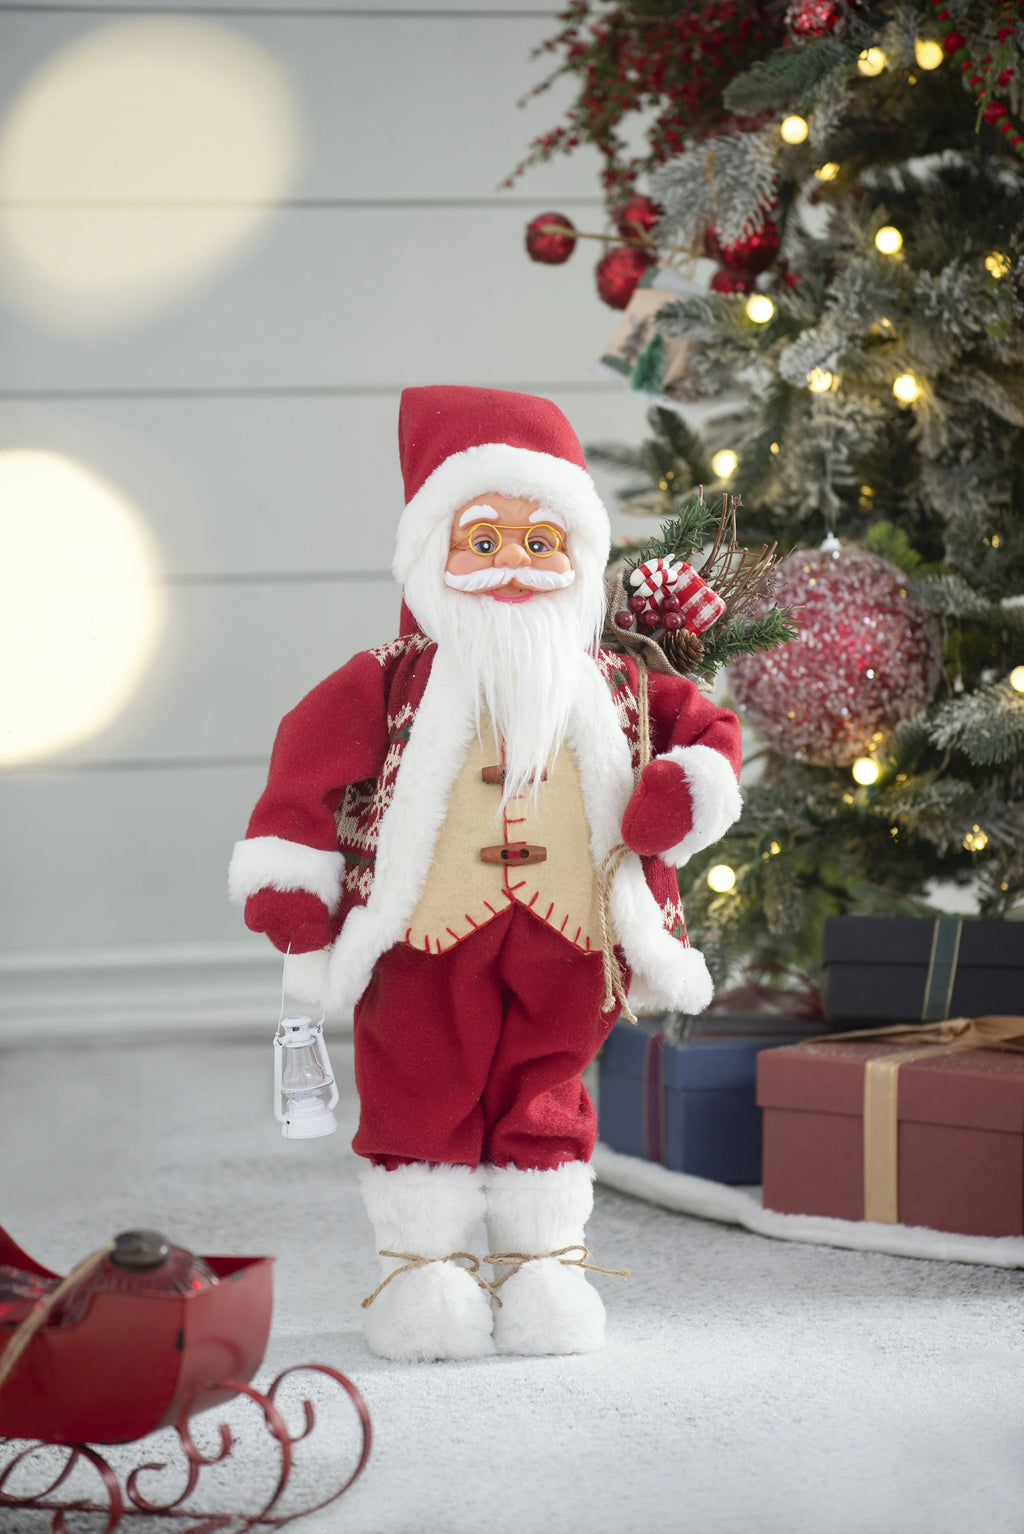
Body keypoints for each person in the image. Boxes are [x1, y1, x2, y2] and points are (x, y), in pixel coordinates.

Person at [229, 386, 742, 1361]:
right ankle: (421, 1270)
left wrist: (684, 789)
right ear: (432, 555)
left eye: (542, 542)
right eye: (485, 540)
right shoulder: (387, 676)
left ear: (579, 561)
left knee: (548, 1085)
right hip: (426, 931)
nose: (515, 564)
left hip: (574, 934)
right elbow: (304, 762)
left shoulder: (617, 678)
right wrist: (293, 873)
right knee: (420, 1075)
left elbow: (708, 734)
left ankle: (543, 1262)